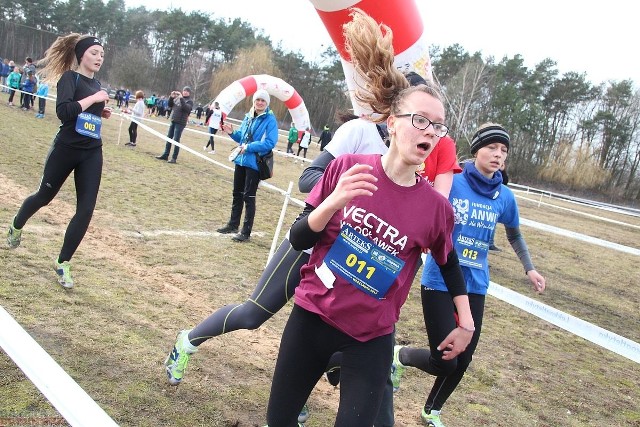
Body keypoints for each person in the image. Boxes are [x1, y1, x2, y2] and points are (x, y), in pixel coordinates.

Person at [162, 9, 468, 427]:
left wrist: (462, 319)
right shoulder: (355, 136)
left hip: (364, 308)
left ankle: (331, 382)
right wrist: (336, 197)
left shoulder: (427, 172)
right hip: (315, 250)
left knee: (362, 373)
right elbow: (309, 182)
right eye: (420, 119)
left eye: (437, 125)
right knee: (255, 314)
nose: (428, 130)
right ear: (393, 116)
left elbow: (438, 241)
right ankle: (190, 341)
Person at [390, 123, 546, 427]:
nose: (498, 155)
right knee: (444, 359)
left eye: (503, 151)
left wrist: (530, 268)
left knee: (464, 359)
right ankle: (401, 356)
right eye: (492, 148)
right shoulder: (453, 180)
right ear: (476, 150)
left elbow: (514, 235)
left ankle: (431, 410)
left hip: (476, 285)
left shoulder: (504, 196)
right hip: (440, 280)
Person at [5, 34, 112, 289]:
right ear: (82, 54)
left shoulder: (97, 84)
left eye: (102, 55)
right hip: (65, 148)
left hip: (92, 151)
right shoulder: (69, 78)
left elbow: (87, 113)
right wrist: (93, 101)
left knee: (85, 210)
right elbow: (64, 112)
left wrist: (102, 111)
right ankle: (16, 224)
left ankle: (63, 262)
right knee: (44, 196)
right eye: (95, 53)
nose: (99, 58)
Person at [214, 89, 278, 242]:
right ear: (254, 101)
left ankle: (246, 232)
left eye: (263, 100)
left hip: (255, 163)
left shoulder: (270, 119)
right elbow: (242, 138)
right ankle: (233, 224)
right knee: (237, 193)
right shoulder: (248, 116)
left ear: (267, 103)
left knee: (248, 197)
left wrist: (249, 147)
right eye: (258, 100)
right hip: (240, 161)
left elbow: (270, 143)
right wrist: (231, 132)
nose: (260, 102)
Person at [155, 86, 193, 164]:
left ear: (189, 93)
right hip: (173, 120)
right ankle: (165, 155)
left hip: (180, 123)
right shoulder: (177, 98)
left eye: (187, 91)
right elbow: (170, 105)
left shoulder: (189, 101)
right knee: (169, 138)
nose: (185, 92)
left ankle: (174, 158)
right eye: (184, 90)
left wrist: (181, 98)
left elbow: (186, 108)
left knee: (176, 140)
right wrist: (171, 97)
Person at [488, 160, 509, 251]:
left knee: (493, 222)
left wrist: (503, 170)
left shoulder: (499, 173)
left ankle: (490, 243)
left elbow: (505, 182)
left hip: (495, 199)